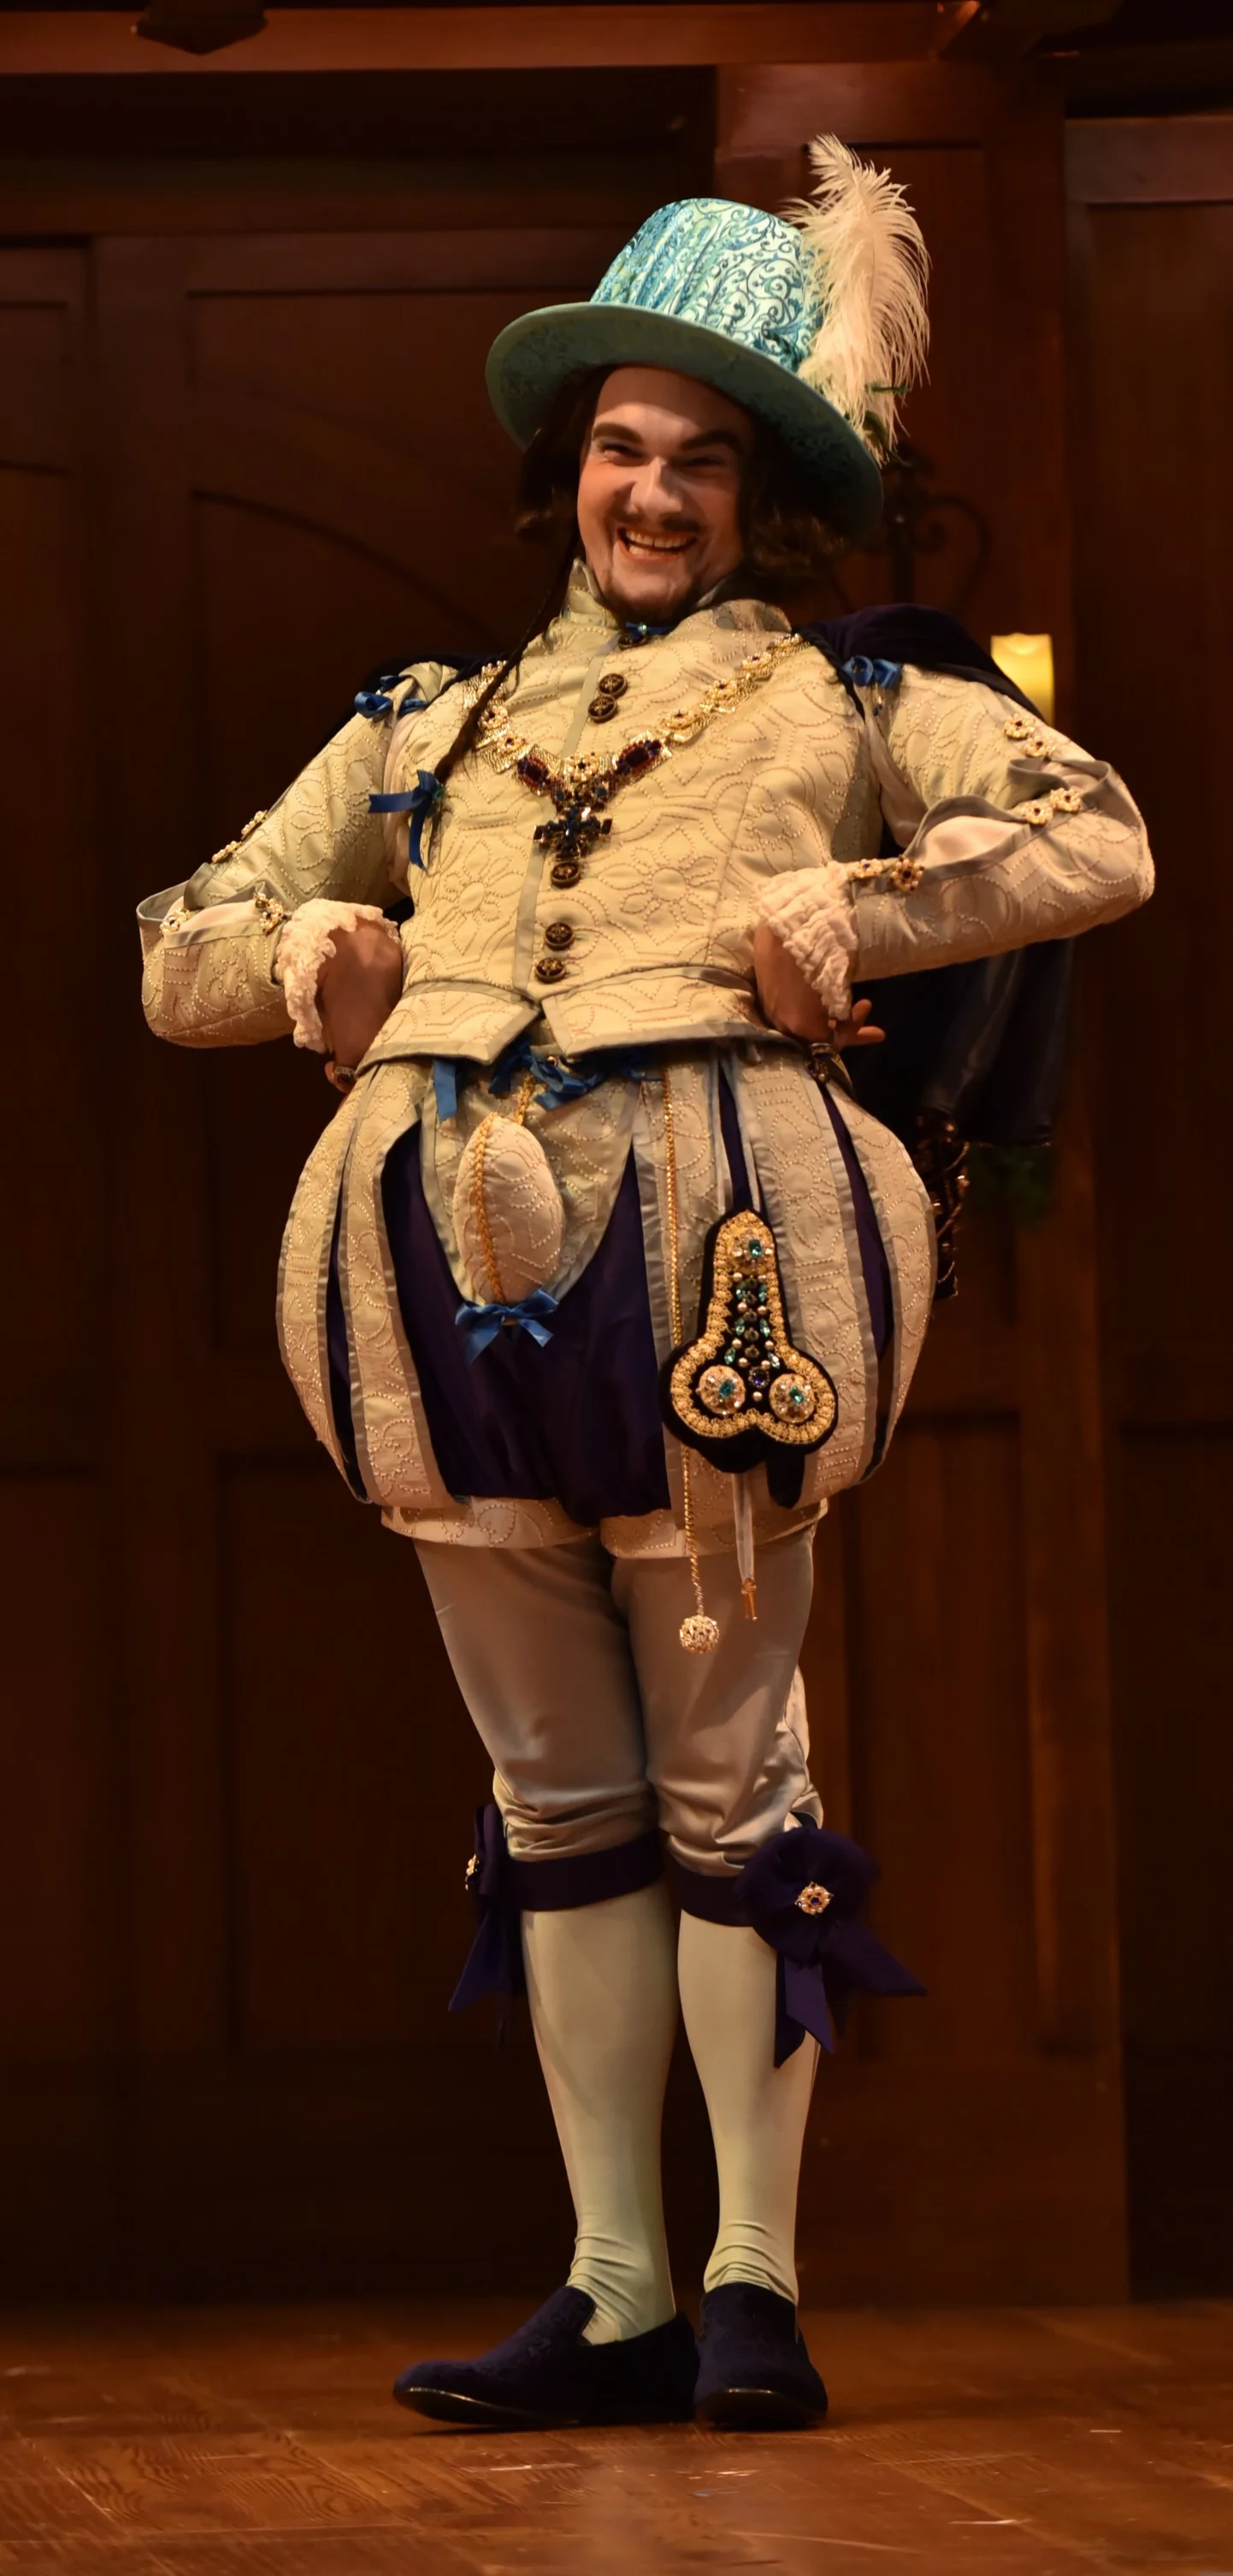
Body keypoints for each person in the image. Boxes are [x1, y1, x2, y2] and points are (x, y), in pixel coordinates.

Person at [138, 143, 1153, 2432]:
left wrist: (868, 916)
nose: (651, 493)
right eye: (620, 447)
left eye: (701, 459)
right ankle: (607, 2286)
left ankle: (752, 2283)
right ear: (566, 464)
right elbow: (172, 950)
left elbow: (1099, 829)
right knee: (552, 1785)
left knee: (728, 1769)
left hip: (722, 1284)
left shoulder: (839, 695)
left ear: (765, 489)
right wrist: (307, 943)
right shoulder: (426, 720)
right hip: (442, 1283)